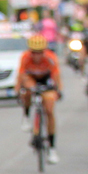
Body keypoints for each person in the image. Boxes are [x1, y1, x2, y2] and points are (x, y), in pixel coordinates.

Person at [15, 34, 61, 164]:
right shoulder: (25, 57)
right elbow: (21, 75)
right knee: (28, 89)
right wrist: (18, 90)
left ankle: (52, 149)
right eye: (34, 53)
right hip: (31, 79)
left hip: (46, 79)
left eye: (39, 53)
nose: (36, 56)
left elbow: (56, 76)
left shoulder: (50, 58)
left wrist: (58, 91)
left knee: (49, 110)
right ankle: (26, 115)